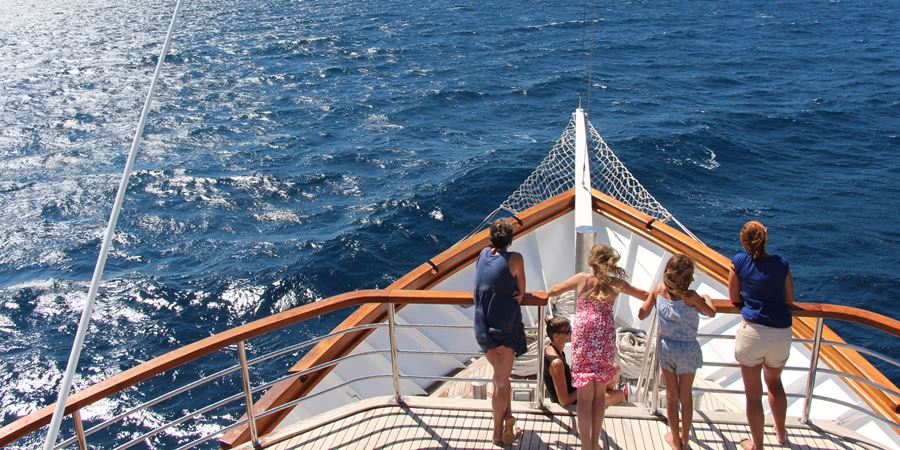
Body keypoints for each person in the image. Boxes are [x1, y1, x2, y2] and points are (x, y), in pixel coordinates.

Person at [546, 244, 649, 450]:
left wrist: (542, 293)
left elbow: (555, 290)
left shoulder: (583, 279)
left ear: (591, 262)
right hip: (604, 337)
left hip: (584, 338)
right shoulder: (616, 284)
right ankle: (594, 444)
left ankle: (586, 446)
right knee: (599, 396)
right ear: (611, 264)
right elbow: (645, 294)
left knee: (584, 399)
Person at [638, 254, 716, 450]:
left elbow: (642, 313)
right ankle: (685, 438)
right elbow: (711, 312)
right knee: (686, 396)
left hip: (667, 348)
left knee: (671, 395)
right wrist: (707, 299)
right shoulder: (692, 297)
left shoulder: (658, 290)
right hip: (688, 349)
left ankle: (675, 439)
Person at [729, 221, 794, 450]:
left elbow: (734, 297)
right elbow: (789, 300)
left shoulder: (740, 262)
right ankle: (781, 434)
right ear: (765, 239)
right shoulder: (781, 263)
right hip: (780, 334)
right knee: (775, 384)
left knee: (753, 395)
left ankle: (757, 445)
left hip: (753, 334)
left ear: (744, 241)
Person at [473, 217, 527, 446]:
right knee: (501, 383)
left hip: (482, 327)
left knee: (502, 378)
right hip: (504, 328)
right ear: (510, 240)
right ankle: (497, 434)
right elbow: (521, 290)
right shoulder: (515, 259)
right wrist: (519, 294)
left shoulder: (483, 254)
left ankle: (508, 420)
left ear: (491, 239)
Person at [543, 316, 626, 408]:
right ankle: (601, 398)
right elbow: (564, 401)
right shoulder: (556, 363)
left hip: (575, 389)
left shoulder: (554, 349)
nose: (572, 333)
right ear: (556, 336)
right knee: (620, 395)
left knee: (614, 369)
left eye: (571, 329)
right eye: (568, 332)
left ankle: (601, 395)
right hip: (575, 401)